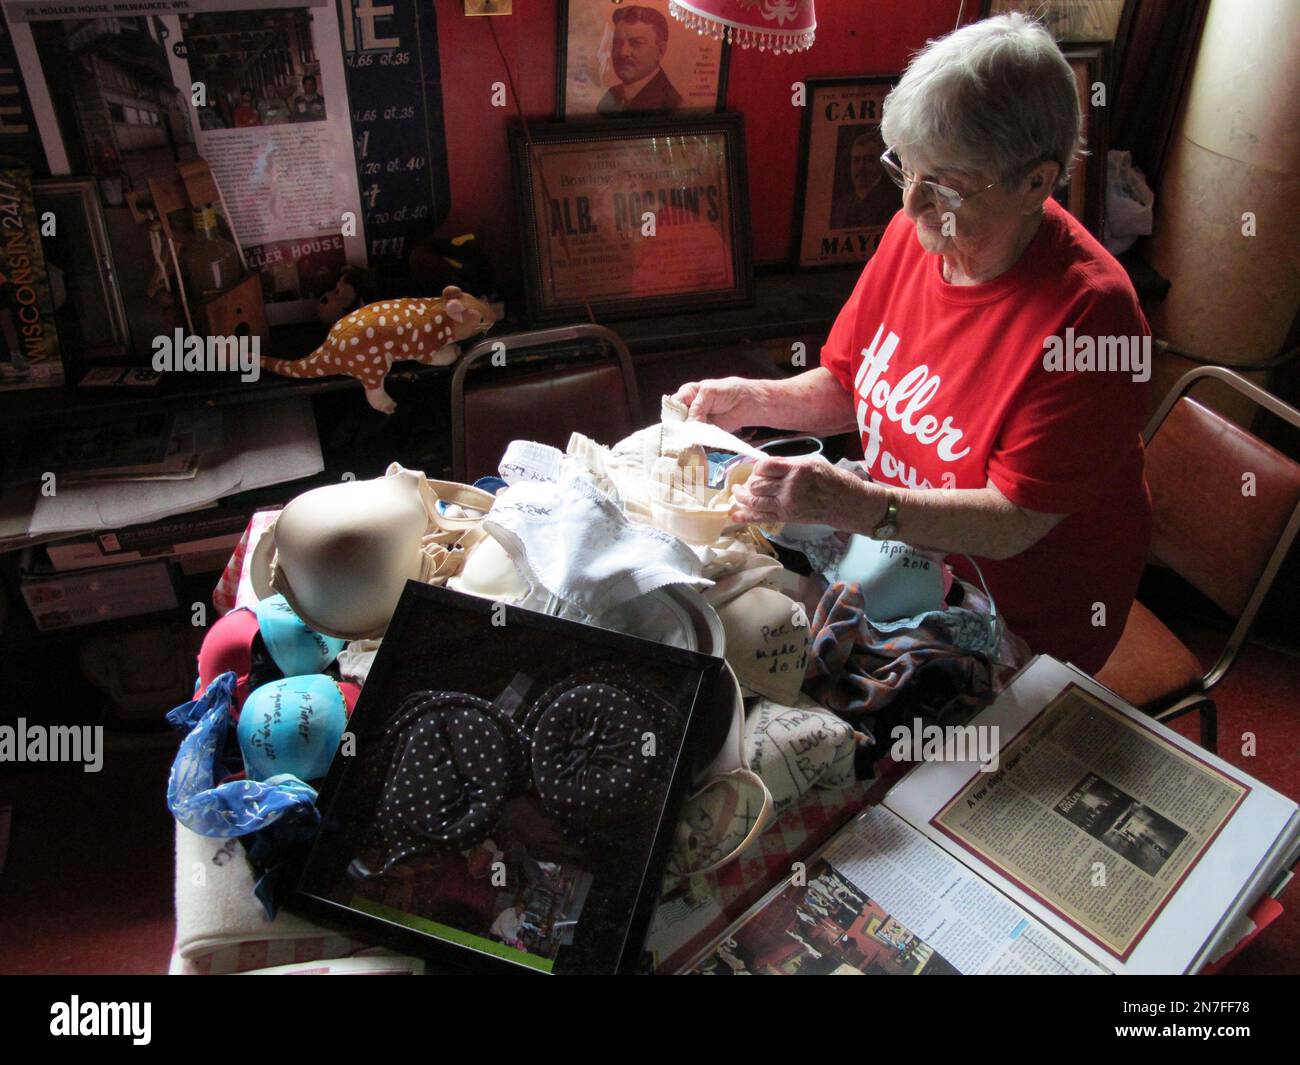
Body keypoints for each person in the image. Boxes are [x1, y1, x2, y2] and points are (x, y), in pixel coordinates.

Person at [674, 14, 1152, 675]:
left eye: (947, 185)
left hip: (1013, 613)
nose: (912, 205)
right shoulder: (927, 232)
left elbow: (1014, 521)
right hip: (900, 554)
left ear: (1036, 182)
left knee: (803, 706)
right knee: (713, 617)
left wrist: (855, 504)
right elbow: (850, 383)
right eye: (905, 169)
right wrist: (749, 400)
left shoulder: (1091, 317)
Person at [597, 5, 682, 114]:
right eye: (617, 43)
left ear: (660, 50)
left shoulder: (671, 104)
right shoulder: (611, 96)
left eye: (636, 43)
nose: (623, 53)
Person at [829, 128, 900, 230]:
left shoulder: (892, 203)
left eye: (869, 160)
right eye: (856, 161)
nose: (861, 167)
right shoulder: (841, 206)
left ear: (881, 165)